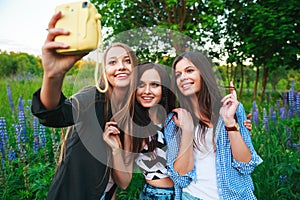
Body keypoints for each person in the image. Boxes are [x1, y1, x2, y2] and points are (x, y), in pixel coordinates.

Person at [31, 11, 138, 200]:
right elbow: (54, 115)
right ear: (104, 71)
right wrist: (52, 75)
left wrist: (115, 149)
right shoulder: (93, 97)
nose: (121, 66)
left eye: (127, 61)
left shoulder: (131, 113)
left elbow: (123, 182)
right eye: (112, 62)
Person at [164, 52, 263, 200]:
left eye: (189, 70)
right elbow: (181, 178)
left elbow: (246, 165)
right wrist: (187, 131)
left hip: (235, 196)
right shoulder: (175, 119)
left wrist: (229, 122)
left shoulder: (231, 108)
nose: (183, 77)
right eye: (178, 74)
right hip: (193, 196)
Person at [103, 62, 177, 199]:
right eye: (140, 85)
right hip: (158, 195)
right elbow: (124, 183)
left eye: (155, 85)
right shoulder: (133, 127)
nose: (147, 91)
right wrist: (116, 150)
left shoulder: (175, 118)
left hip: (186, 193)